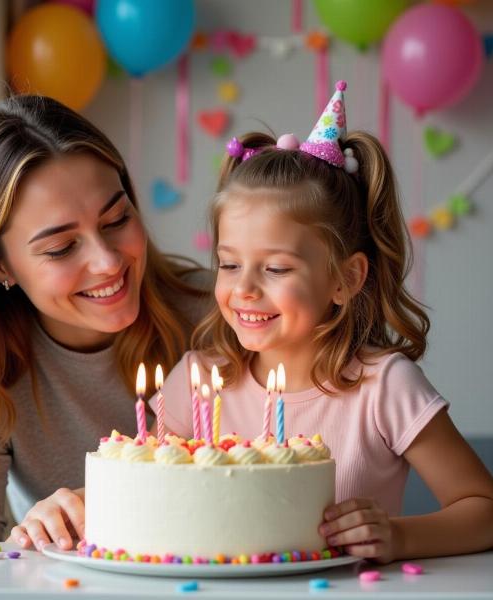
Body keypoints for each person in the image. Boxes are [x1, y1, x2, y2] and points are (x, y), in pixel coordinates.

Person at [147, 81, 493, 563]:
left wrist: (400, 537)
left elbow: (482, 507)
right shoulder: (198, 379)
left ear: (345, 279)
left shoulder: (384, 387)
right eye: (229, 264)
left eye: (276, 268)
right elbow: (143, 495)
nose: (244, 288)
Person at [0, 95, 209, 545]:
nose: (107, 262)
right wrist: (32, 545)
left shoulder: (223, 315)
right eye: (61, 248)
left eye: (117, 218)